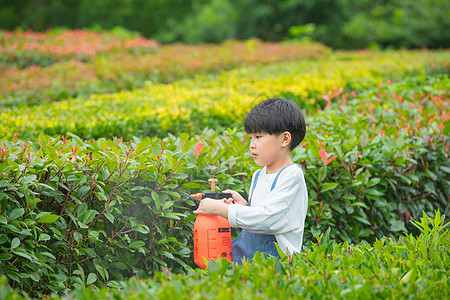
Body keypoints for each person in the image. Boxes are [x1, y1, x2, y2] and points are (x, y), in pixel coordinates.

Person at [193, 97, 308, 264]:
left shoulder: (291, 176)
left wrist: (222, 210)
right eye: (251, 138)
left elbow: (267, 219)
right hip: (249, 262)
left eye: (259, 137)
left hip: (278, 266)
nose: (252, 145)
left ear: (284, 139)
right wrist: (245, 206)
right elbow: (262, 215)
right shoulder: (258, 175)